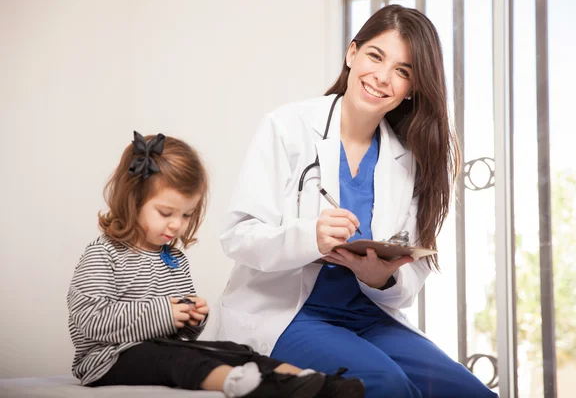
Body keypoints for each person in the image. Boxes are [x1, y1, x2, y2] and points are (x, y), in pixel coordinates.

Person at [218, 4, 497, 398]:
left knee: (470, 393)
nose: (382, 77)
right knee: (387, 385)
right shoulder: (288, 127)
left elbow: (409, 278)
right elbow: (238, 236)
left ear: (412, 89)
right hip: (289, 313)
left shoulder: (407, 160)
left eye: (402, 71)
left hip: (367, 317)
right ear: (352, 54)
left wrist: (380, 278)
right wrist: (308, 237)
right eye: (375, 56)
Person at [66, 131, 365, 398]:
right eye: (166, 212)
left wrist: (192, 319)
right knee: (182, 361)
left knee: (234, 350)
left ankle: (310, 381)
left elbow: (178, 335)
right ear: (133, 200)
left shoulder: (174, 259)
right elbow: (88, 321)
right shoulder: (104, 254)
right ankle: (258, 387)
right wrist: (165, 313)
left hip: (161, 349)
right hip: (107, 360)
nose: (177, 225)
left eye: (186, 215)